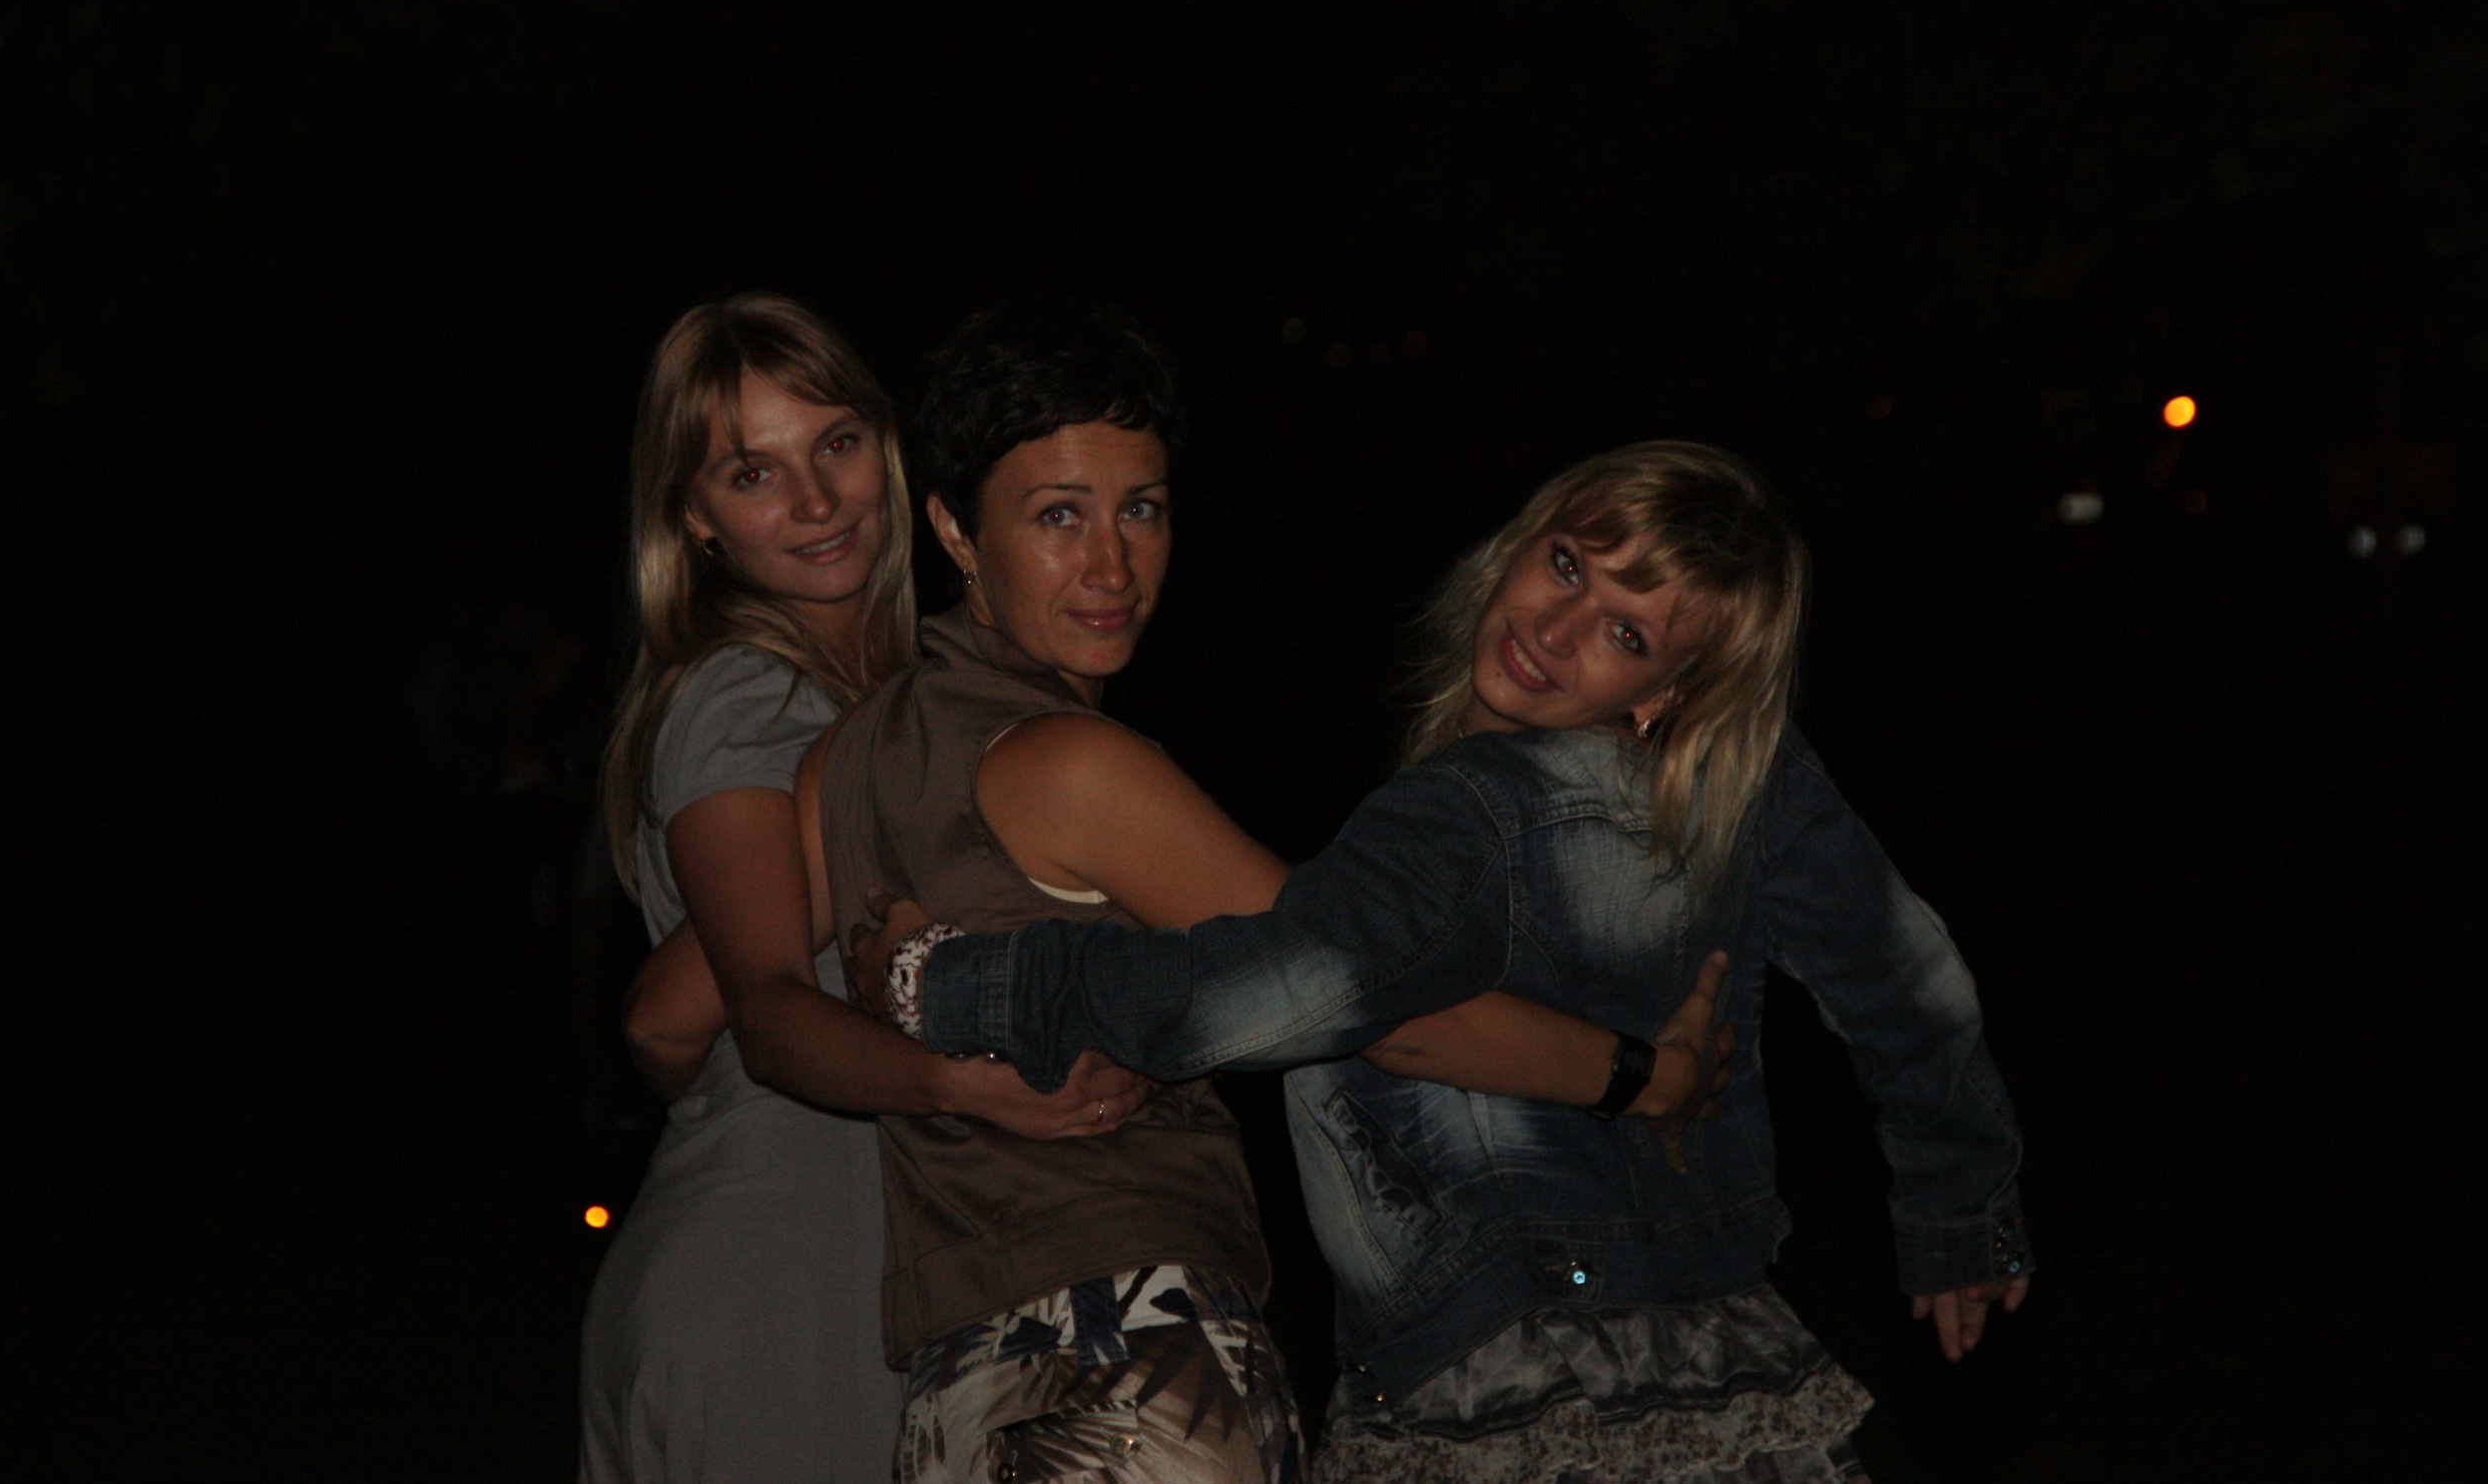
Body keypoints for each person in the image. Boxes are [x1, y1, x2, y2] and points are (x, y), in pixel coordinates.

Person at [871, 440, 2034, 1483]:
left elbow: (1282, 991)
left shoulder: (1467, 814)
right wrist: (1957, 1208)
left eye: (1625, 635)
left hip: (1514, 1380)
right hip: (1722, 1357)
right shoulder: (1749, 785)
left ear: (1666, 694)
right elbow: (1911, 983)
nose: (1556, 629)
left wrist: (964, 982)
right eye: (1568, 566)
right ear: (1521, 542)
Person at [795, 299, 1733, 1484]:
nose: (1111, 565)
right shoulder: (1073, 764)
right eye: (1058, 516)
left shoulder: (840, 759)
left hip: (958, 1390)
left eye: (1141, 508)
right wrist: (1646, 1077)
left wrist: (912, 1010)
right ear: (954, 529)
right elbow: (1381, 1008)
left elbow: (726, 1011)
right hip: (1129, 1355)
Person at [578, 294, 1147, 1484]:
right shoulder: (753, 695)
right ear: (693, 517)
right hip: (776, 1282)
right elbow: (681, 1016)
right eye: (753, 472)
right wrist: (964, 1085)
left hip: (849, 1272)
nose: (817, 500)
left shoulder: (887, 694)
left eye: (835, 444)